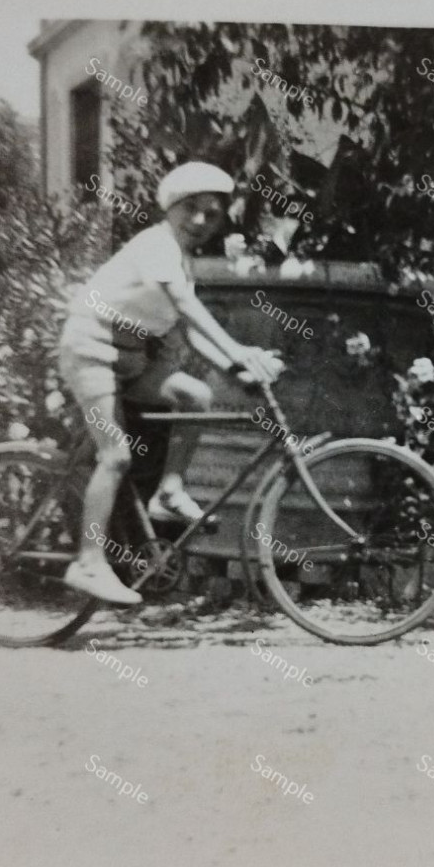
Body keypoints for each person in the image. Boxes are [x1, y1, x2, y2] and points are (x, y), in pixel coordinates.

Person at [57, 162, 283, 604]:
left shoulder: (181, 260)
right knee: (116, 457)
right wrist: (239, 351)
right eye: (190, 208)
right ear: (170, 207)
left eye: (212, 214)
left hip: (132, 357)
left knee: (195, 394)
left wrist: (236, 370)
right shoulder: (156, 245)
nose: (200, 220)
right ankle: (87, 563)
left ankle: (170, 491)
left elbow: (193, 331)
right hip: (93, 347)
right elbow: (184, 305)